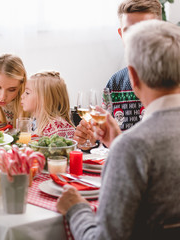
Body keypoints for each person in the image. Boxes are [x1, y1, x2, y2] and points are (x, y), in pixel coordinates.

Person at [56, 19, 180, 239]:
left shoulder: (134, 147)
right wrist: (119, 142)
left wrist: (76, 208)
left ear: (132, 77)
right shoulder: (131, 146)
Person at [73, 0, 162, 148]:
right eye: (129, 31)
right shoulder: (115, 82)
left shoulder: (173, 81)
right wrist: (90, 141)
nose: (136, 39)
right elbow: (104, 140)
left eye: (145, 30)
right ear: (121, 34)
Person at [20, 71, 75, 137]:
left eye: (27, 93)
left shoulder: (57, 128)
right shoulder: (35, 122)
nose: (22, 96)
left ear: (44, 99)